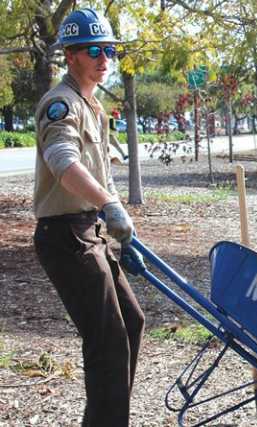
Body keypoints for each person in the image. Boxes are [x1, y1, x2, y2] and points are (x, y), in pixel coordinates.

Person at [32, 8, 144, 426]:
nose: (104, 59)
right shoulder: (61, 104)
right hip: (64, 235)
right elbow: (63, 162)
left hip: (90, 231)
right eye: (94, 50)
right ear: (71, 55)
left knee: (131, 322)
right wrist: (107, 206)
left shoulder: (92, 106)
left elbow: (103, 177)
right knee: (107, 341)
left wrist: (123, 231)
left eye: (109, 50)